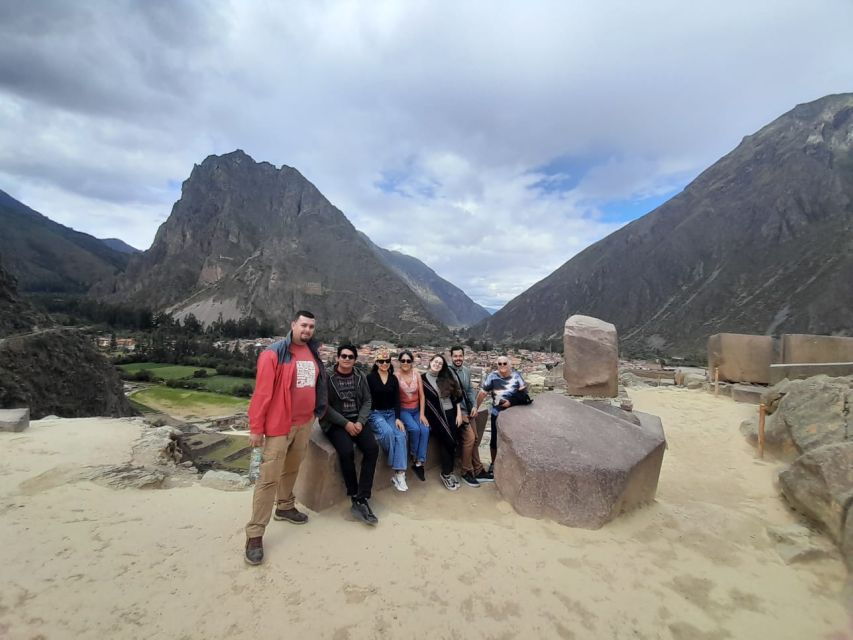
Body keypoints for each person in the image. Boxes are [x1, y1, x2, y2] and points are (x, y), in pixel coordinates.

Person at [244, 310, 327, 566]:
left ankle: (284, 506)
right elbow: (262, 394)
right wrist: (256, 428)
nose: (307, 330)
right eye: (304, 325)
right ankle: (255, 534)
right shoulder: (274, 353)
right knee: (268, 479)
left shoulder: (312, 352)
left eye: (311, 326)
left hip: (305, 423)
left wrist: (315, 413)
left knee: (292, 469)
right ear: (293, 324)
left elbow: (316, 385)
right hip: (280, 425)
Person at [321, 344, 379, 526]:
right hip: (337, 423)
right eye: (343, 356)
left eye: (350, 357)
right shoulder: (327, 378)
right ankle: (353, 493)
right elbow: (324, 406)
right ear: (337, 358)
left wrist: (360, 422)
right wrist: (345, 424)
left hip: (358, 421)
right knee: (346, 452)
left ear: (355, 360)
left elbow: (368, 400)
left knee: (372, 449)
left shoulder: (360, 377)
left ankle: (363, 495)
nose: (347, 359)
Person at [474, 355, 527, 474]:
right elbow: (482, 394)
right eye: (500, 364)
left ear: (510, 365)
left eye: (504, 363)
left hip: (513, 414)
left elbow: (524, 394)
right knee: (494, 440)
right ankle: (493, 465)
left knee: (512, 440)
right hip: (496, 413)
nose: (502, 366)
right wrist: (475, 408)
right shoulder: (492, 376)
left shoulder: (517, 376)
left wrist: (510, 402)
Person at [449, 345, 492, 487]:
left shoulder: (466, 371)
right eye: (455, 356)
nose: (458, 358)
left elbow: (469, 390)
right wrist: (458, 412)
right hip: (457, 411)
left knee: (475, 439)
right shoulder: (447, 372)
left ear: (463, 356)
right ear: (451, 357)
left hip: (468, 409)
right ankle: (466, 471)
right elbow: (446, 395)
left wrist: (474, 406)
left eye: (460, 356)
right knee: (470, 438)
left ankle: (478, 470)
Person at [366, 349, 409, 491]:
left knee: (401, 435)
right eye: (381, 361)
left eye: (387, 361)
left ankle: (400, 474)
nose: (384, 363)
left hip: (391, 413)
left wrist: (397, 418)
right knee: (388, 433)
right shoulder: (370, 378)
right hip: (375, 413)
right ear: (376, 363)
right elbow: (367, 400)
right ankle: (396, 465)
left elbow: (397, 400)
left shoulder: (393, 379)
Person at [421, 354, 463, 490]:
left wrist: (459, 413)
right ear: (430, 362)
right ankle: (446, 474)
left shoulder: (445, 378)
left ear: (442, 366)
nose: (437, 364)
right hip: (435, 416)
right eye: (435, 362)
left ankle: (448, 472)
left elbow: (456, 396)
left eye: (440, 363)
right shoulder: (422, 379)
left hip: (451, 413)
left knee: (452, 441)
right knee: (448, 441)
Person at [395, 350, 430, 482]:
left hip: (416, 410)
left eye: (408, 361)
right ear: (399, 362)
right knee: (415, 429)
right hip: (404, 410)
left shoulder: (417, 375)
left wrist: (422, 414)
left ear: (411, 362)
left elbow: (422, 395)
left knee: (425, 429)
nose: (405, 363)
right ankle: (413, 455)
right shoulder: (396, 376)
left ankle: (419, 462)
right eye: (403, 360)